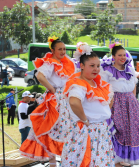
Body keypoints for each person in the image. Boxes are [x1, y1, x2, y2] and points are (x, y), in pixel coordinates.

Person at [19, 36, 76, 167]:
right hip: (56, 99)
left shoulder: (65, 63)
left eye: (64, 49)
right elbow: (39, 76)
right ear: (53, 50)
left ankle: (62, 161)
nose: (63, 51)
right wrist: (52, 89)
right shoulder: (50, 63)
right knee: (54, 129)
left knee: (65, 129)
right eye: (59, 49)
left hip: (66, 98)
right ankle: (53, 162)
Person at [61, 42, 116, 167]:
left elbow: (108, 102)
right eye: (92, 66)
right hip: (89, 132)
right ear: (81, 65)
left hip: (100, 131)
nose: (96, 69)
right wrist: (85, 119)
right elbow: (74, 102)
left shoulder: (97, 84)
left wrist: (105, 111)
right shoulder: (79, 84)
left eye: (97, 66)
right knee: (86, 161)